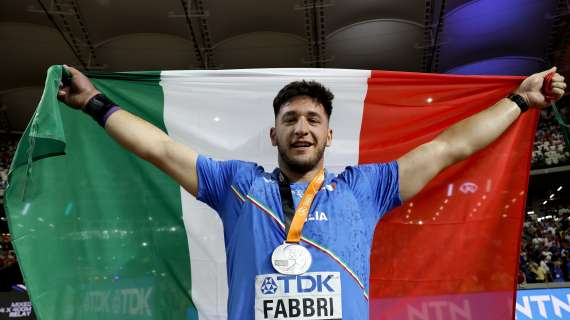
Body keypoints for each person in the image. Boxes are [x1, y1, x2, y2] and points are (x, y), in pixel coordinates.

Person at [57, 65, 566, 319]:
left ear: (329, 135)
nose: (301, 127)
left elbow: (449, 148)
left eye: (313, 120)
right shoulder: (237, 184)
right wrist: (95, 104)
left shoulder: (366, 188)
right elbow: (160, 150)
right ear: (273, 134)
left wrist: (519, 101)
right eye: (290, 119)